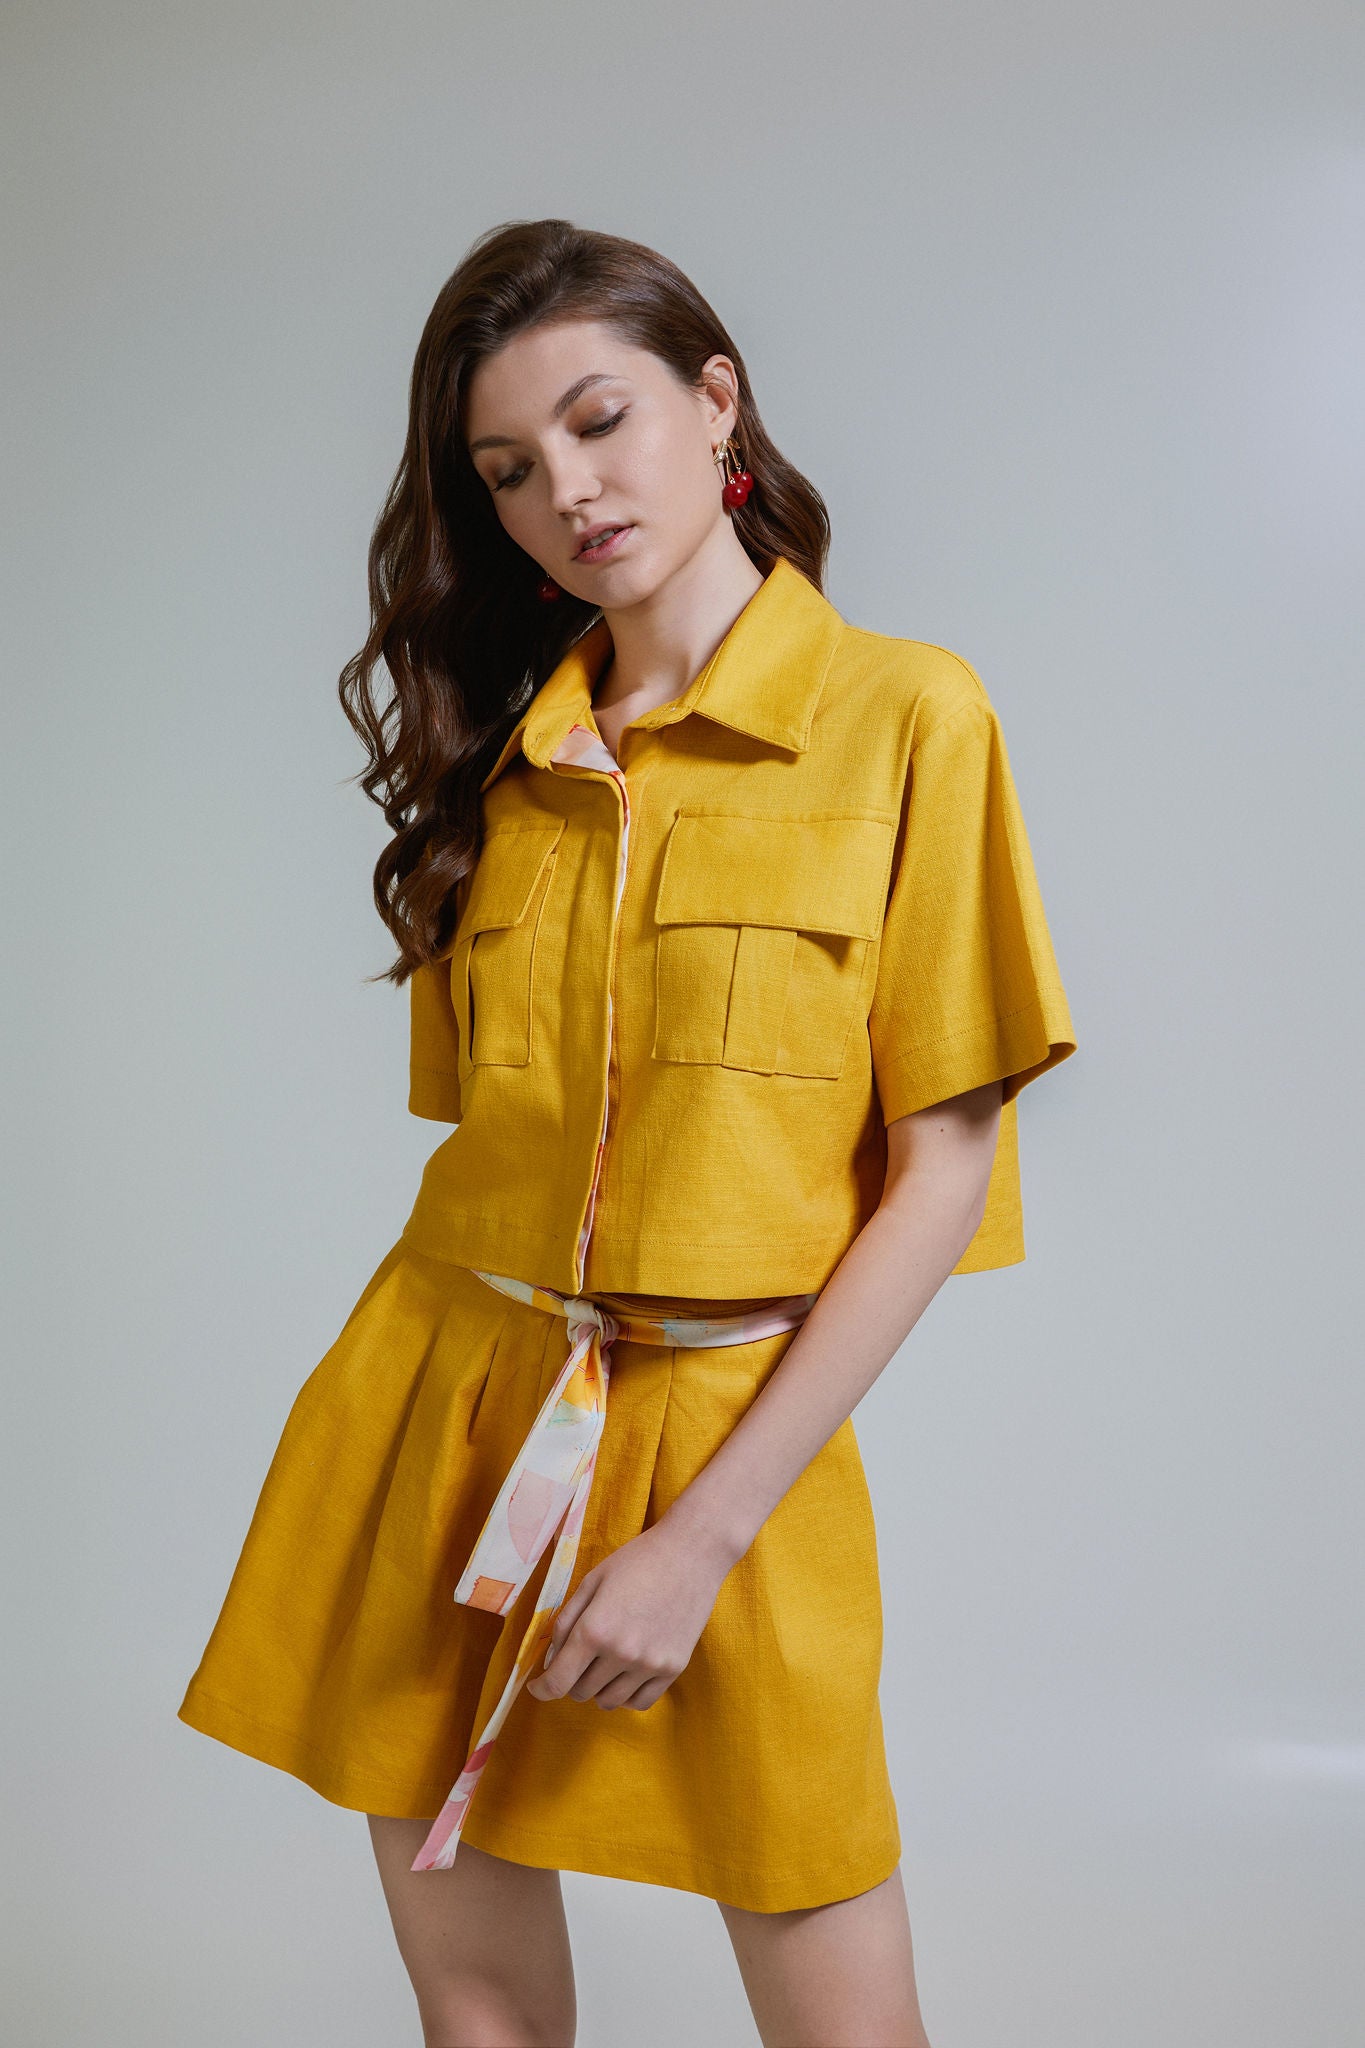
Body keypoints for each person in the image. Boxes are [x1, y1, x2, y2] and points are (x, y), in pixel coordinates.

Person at [177, 216, 1077, 2048]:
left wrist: (696, 1543)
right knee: (482, 2018)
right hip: (443, 1409)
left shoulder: (908, 716)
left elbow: (944, 1167)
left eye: (600, 422)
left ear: (714, 397)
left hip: (725, 1450)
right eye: (508, 471)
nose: (566, 494)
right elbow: (492, 1151)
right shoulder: (502, 766)